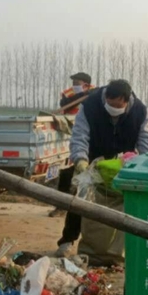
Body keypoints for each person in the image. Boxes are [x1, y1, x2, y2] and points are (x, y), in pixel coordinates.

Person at [55, 79, 148, 257]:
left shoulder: (139, 110)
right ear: (105, 96)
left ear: (126, 101)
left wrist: (147, 163)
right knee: (80, 200)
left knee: (122, 207)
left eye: (117, 105)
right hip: (94, 160)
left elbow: (145, 139)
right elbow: (80, 134)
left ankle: (116, 250)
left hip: (122, 164)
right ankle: (67, 240)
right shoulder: (90, 105)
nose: (113, 108)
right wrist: (80, 159)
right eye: (109, 104)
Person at [48, 72, 97, 219]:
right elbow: (64, 105)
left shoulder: (96, 93)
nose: (74, 84)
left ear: (86, 83)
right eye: (74, 82)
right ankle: (61, 206)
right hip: (70, 136)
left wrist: (89, 94)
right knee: (66, 172)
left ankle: (89, 207)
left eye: (77, 82)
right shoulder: (68, 93)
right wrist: (82, 94)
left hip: (88, 135)